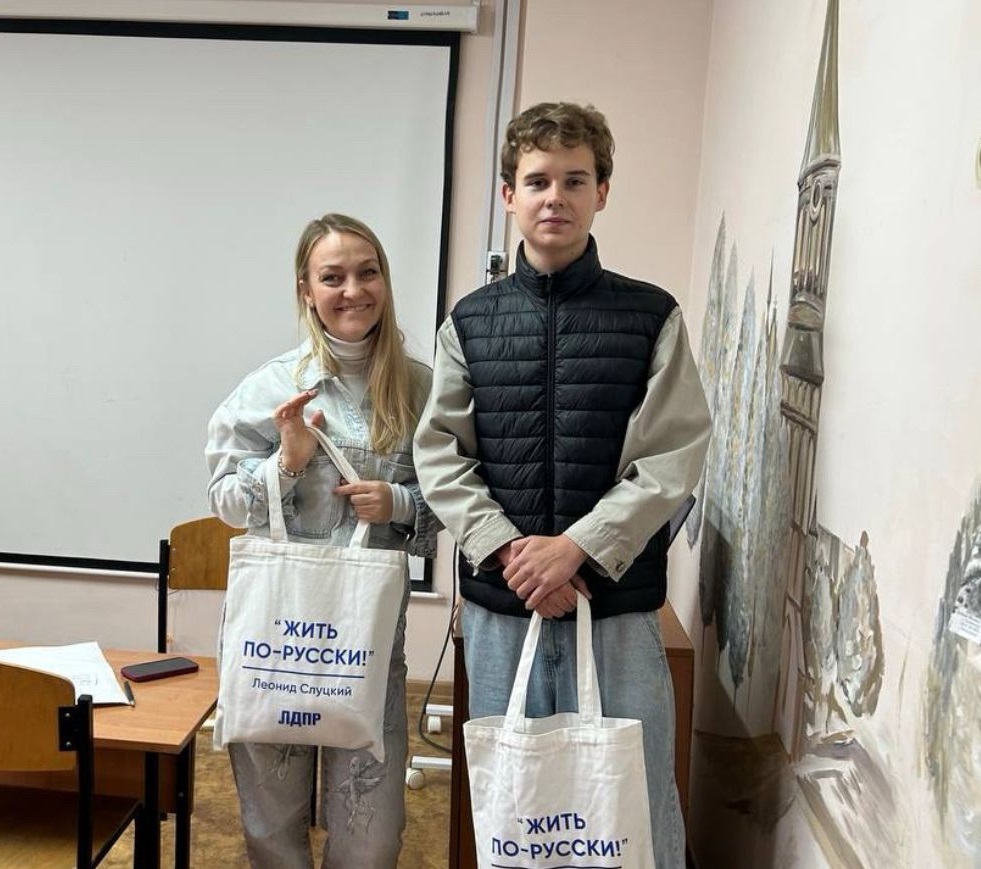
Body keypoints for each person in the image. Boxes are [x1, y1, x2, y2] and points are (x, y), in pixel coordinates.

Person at [413, 102, 711, 867]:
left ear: (601, 191)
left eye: (574, 180)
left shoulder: (651, 316)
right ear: (508, 194)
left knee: (630, 811)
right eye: (537, 180)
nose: (555, 196)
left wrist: (576, 547)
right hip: (502, 610)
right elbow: (439, 453)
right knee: (519, 812)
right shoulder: (469, 323)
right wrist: (511, 552)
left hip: (613, 612)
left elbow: (671, 454)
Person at [205, 213, 437, 868]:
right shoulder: (270, 387)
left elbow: (455, 499)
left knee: (371, 834)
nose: (352, 290)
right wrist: (286, 462)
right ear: (306, 290)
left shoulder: (422, 389)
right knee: (271, 824)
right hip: (275, 637)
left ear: (384, 281)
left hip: (367, 641)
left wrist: (397, 502)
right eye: (332, 277)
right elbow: (223, 502)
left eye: (367, 273)